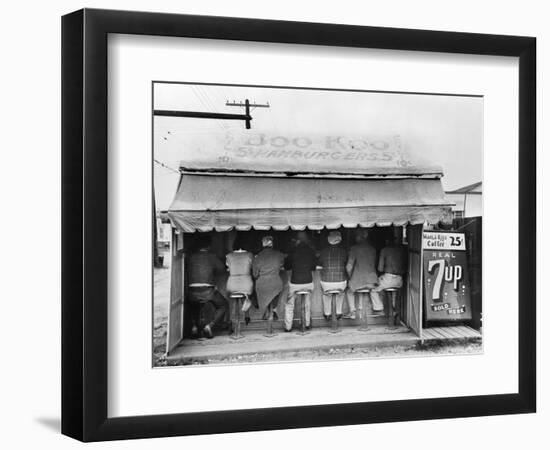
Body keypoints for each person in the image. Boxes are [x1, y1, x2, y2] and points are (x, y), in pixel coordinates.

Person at [187, 237, 228, 339]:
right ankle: (209, 326)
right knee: (223, 305)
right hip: (207, 291)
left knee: (193, 306)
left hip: (192, 291)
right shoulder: (212, 256)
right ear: (209, 246)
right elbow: (222, 269)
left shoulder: (190, 257)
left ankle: (194, 327)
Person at [284, 231, 317, 331]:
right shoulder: (311, 251)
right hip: (308, 283)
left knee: (290, 303)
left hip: (295, 283)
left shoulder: (292, 251)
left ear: (297, 240)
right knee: (307, 302)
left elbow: (287, 266)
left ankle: (288, 327)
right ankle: (306, 324)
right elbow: (313, 267)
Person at [344, 229, 379, 318]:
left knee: (349, 291)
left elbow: (349, 266)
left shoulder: (354, 249)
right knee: (363, 290)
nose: (355, 238)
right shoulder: (373, 249)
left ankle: (352, 311)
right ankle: (361, 310)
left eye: (356, 236)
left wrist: (350, 277)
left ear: (360, 237)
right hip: (372, 281)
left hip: (359, 280)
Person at [370, 234, 408, 313]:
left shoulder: (384, 250)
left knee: (373, 289)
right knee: (394, 291)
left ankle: (378, 308)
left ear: (386, 241)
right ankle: (394, 308)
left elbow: (380, 268)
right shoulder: (401, 250)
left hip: (388, 278)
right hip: (399, 280)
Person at [252, 236, 285, 320]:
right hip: (276, 283)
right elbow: (282, 265)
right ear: (272, 244)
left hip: (262, 285)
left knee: (261, 294)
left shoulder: (257, 257)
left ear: (262, 245)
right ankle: (273, 310)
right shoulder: (279, 254)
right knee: (277, 292)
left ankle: (266, 311)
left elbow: (255, 275)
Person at [318, 231, 348, 320]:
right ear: (340, 240)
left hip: (326, 283)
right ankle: (338, 312)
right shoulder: (344, 252)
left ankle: (327, 314)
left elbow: (319, 264)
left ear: (328, 240)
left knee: (326, 294)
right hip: (341, 282)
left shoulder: (323, 252)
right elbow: (347, 264)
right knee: (341, 293)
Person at [225, 242, 254, 324]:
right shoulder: (250, 255)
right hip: (247, 284)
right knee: (247, 293)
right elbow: (252, 267)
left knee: (232, 298)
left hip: (231, 285)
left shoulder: (228, 255)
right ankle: (247, 315)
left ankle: (231, 320)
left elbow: (228, 267)